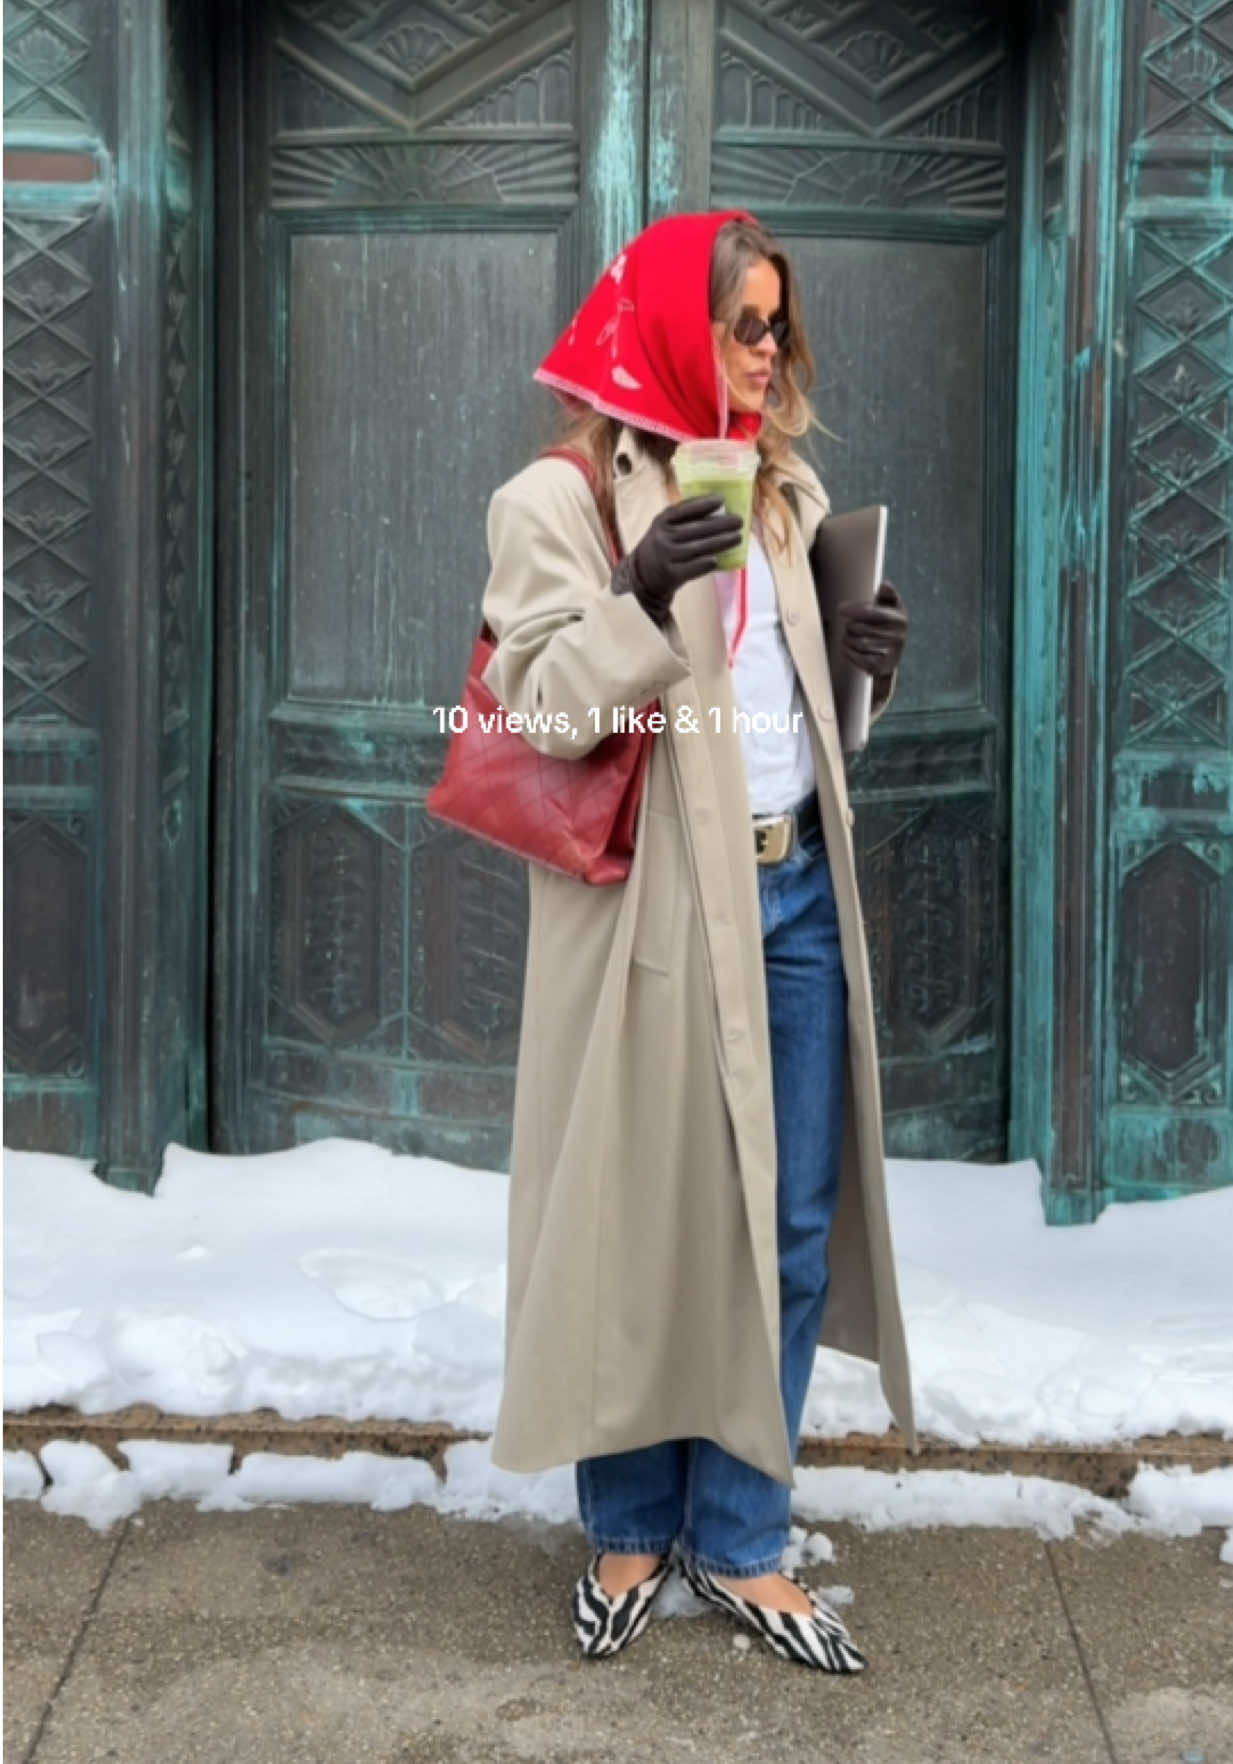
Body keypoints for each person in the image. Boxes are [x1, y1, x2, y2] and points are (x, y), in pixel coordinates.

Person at [478, 209, 915, 1672]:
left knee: (786, 1227)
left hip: (791, 897)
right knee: (638, 1219)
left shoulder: (783, 490)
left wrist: (860, 667)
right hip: (652, 911)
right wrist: (642, 589)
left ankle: (740, 1537)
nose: (768, 349)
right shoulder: (556, 504)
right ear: (674, 327)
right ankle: (626, 1527)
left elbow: (782, 727)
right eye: (744, 322)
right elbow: (545, 711)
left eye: (779, 324)